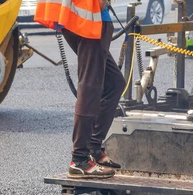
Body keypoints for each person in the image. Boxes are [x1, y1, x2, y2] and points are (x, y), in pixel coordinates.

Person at [35, 0, 126, 179]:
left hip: (77, 17)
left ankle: (92, 147)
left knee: (114, 83)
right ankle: (79, 160)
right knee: (91, 86)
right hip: (90, 19)